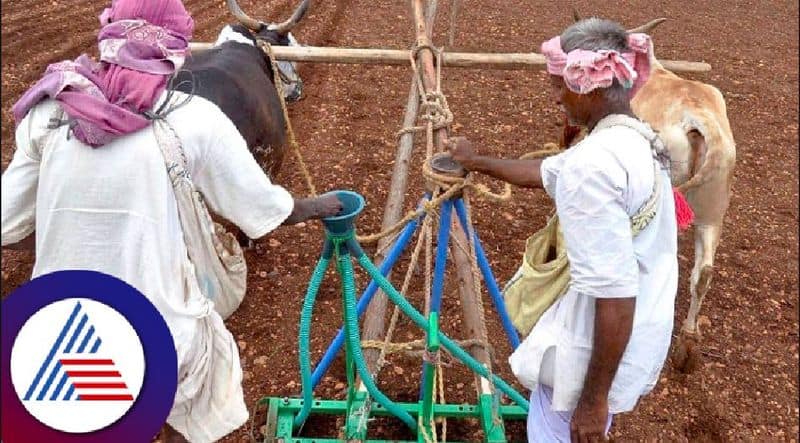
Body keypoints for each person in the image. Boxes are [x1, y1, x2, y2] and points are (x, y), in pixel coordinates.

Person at [0, 1, 341, 442]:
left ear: (109, 35)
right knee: (200, 369)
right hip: (157, 341)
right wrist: (321, 205)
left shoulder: (50, 112)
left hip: (53, 328)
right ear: (177, 49)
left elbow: (7, 224)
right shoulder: (195, 120)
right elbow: (265, 212)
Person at [447, 18, 679, 443]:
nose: (555, 98)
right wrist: (476, 161)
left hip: (590, 357)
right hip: (636, 334)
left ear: (587, 82)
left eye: (558, 85)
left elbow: (614, 293)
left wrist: (592, 401)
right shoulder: (635, 139)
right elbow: (547, 171)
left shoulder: (592, 168)